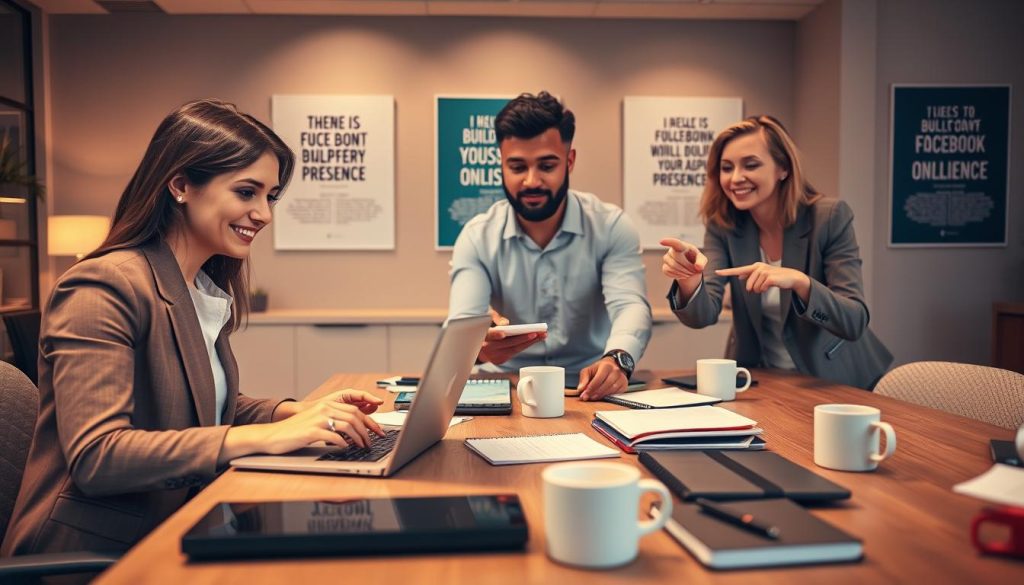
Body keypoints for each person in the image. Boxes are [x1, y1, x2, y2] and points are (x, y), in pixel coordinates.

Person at [1, 99, 384, 558]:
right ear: (181, 185)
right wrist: (266, 437)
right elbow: (98, 457)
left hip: (180, 521)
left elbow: (201, 404)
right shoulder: (103, 284)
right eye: (247, 192)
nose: (263, 213)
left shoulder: (195, 286)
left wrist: (296, 413)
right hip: (93, 552)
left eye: (269, 196)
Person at [660, 115, 892, 389]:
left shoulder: (829, 217)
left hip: (834, 381)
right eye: (726, 167)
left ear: (782, 168)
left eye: (751, 165)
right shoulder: (723, 224)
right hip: (764, 381)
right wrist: (689, 280)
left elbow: (854, 321)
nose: (735, 178)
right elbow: (702, 316)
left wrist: (800, 282)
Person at [448, 92, 652, 401]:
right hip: (504, 385)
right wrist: (478, 348)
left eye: (546, 165)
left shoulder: (611, 226)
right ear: (501, 165)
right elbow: (462, 325)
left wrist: (618, 358)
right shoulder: (476, 237)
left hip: (589, 387)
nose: (531, 181)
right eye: (517, 167)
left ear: (569, 162)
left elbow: (630, 305)